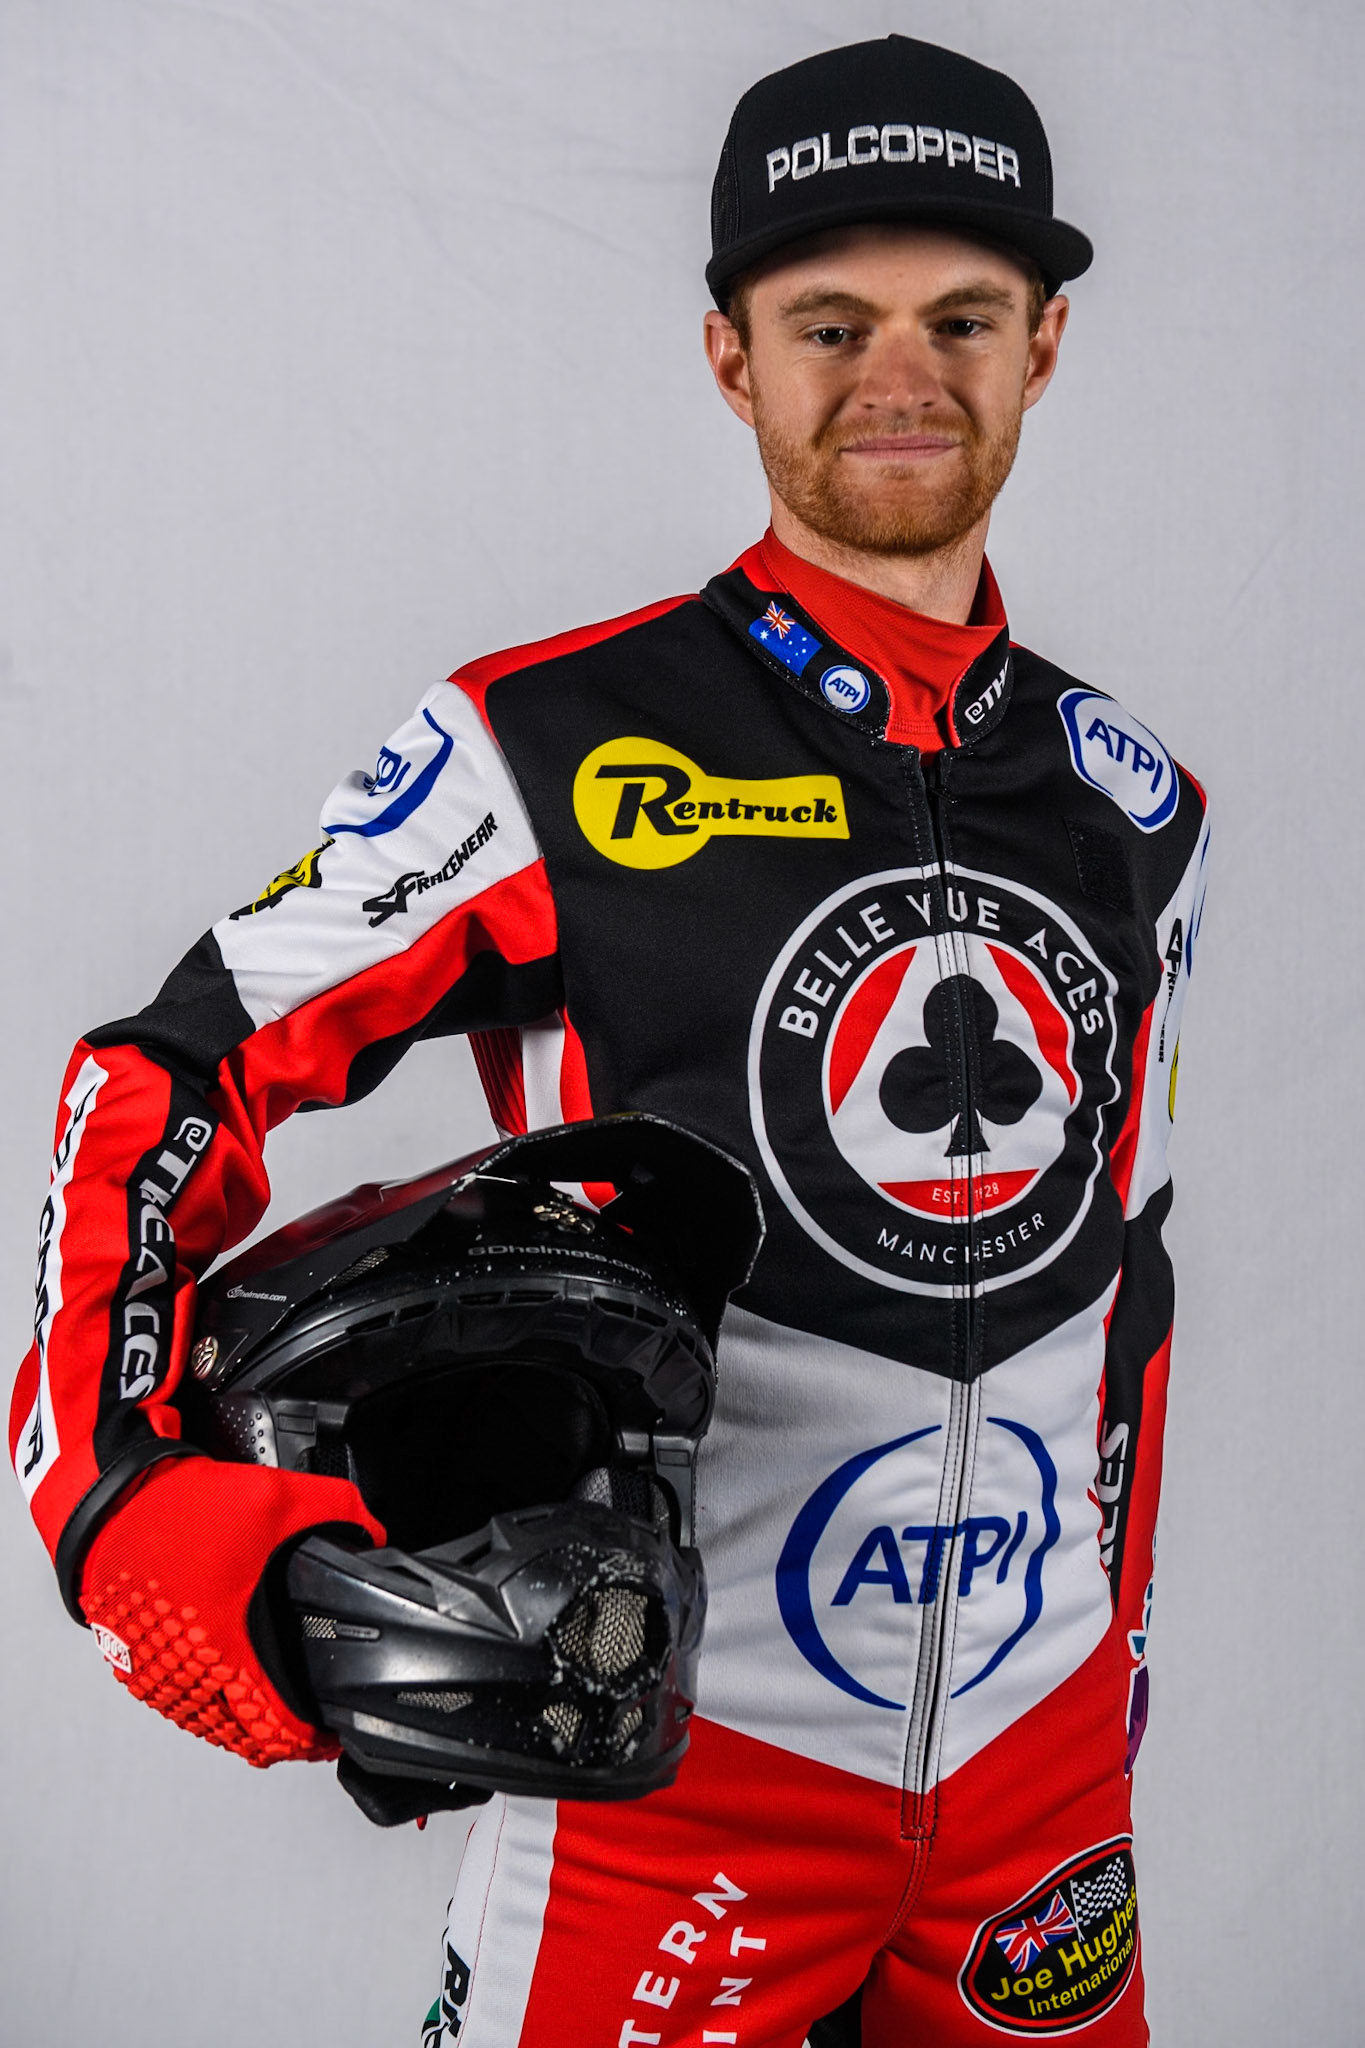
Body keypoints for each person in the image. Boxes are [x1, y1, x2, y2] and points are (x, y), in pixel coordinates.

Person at [10, 34, 1208, 2048]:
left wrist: (1117, 1679)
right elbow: (165, 1075)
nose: (899, 374)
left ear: (1043, 346)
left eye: (958, 318)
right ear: (730, 355)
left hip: (1041, 1784)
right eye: (828, 323)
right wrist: (109, 1494)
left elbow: (1130, 1281)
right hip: (672, 1770)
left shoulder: (1135, 801)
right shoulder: (542, 743)